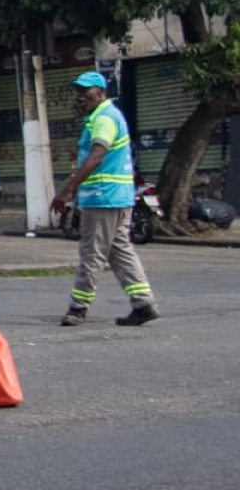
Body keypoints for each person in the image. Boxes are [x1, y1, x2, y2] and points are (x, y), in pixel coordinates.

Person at [52, 70, 158, 327]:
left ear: (100, 92)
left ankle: (78, 308)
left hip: (103, 198)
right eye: (77, 91)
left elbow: (97, 156)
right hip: (116, 197)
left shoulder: (104, 118)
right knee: (119, 249)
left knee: (92, 252)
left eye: (84, 91)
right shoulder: (103, 116)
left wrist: (68, 189)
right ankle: (143, 303)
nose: (79, 97)